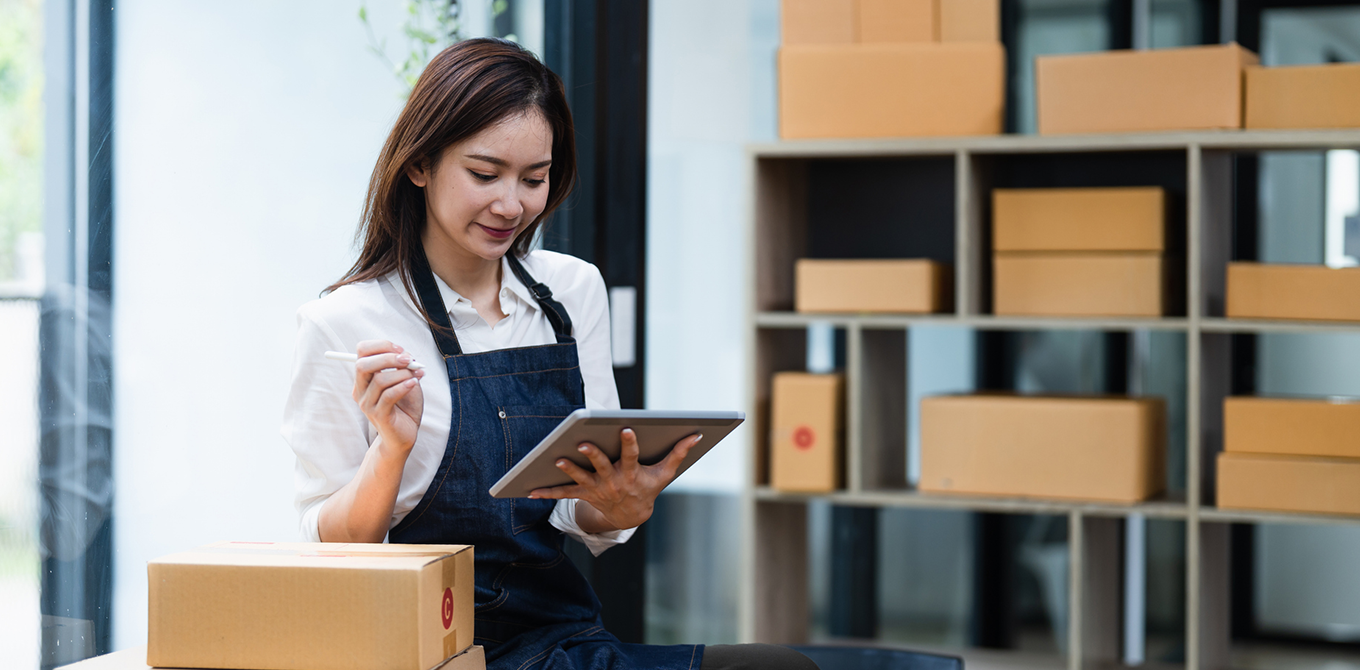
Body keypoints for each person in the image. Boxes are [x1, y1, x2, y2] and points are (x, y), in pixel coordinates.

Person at [282, 38, 816, 670]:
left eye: (534, 179)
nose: (513, 205)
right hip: (418, 646)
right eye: (485, 175)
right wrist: (389, 453)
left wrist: (617, 504)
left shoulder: (572, 291)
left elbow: (574, 504)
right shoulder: (343, 322)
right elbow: (328, 546)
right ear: (420, 164)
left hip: (555, 637)